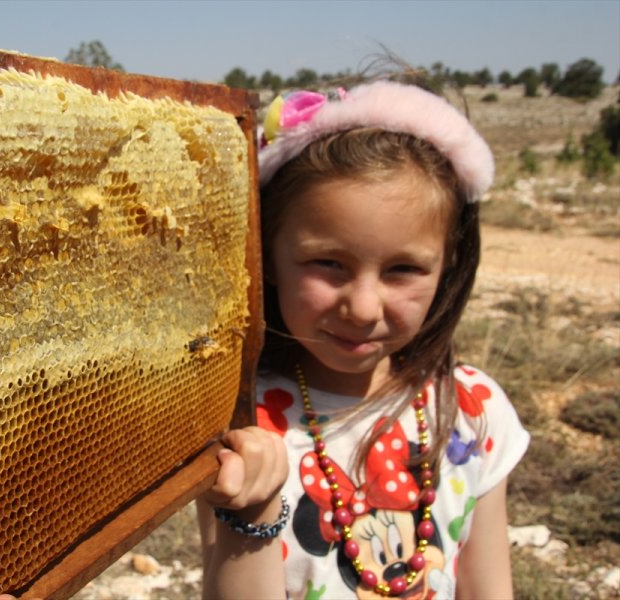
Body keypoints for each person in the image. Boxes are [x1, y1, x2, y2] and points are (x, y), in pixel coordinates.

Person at [198, 80, 530, 599]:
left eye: (403, 269)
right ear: (266, 257)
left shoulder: (475, 411)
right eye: (328, 263)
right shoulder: (239, 423)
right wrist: (253, 509)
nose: (363, 308)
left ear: (448, 264)